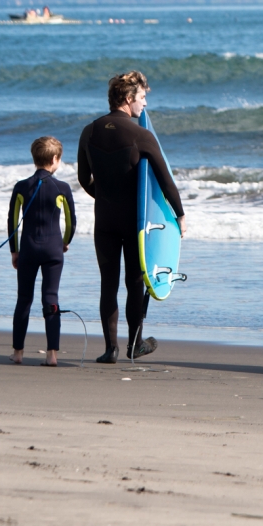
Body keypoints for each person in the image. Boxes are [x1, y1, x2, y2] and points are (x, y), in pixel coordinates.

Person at [77, 71, 185, 364]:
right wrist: (180, 215)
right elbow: (165, 182)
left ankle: (110, 349)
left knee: (108, 284)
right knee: (135, 282)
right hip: (135, 224)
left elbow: (84, 179)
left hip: (105, 221)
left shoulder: (89, 131)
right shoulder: (141, 135)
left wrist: (107, 198)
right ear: (128, 99)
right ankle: (134, 345)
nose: (145, 104)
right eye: (142, 98)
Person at [7, 136, 76, 366]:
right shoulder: (62, 188)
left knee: (24, 299)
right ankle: (52, 355)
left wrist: (14, 251)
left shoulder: (21, 187)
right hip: (53, 250)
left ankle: (18, 353)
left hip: (27, 248)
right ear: (55, 159)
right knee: (51, 298)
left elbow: (12, 221)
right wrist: (65, 242)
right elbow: (71, 221)